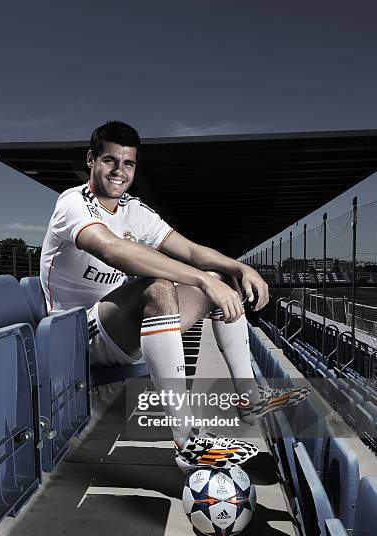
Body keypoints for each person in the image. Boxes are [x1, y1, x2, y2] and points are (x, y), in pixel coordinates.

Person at [40, 121, 309, 473]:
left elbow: (193, 251)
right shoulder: (73, 203)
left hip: (121, 327)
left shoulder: (133, 210)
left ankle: (250, 398)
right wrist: (199, 279)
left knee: (220, 278)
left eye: (129, 164)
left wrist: (242, 270)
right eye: (110, 161)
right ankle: (185, 438)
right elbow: (110, 248)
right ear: (91, 160)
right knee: (159, 285)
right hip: (76, 335)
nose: (119, 171)